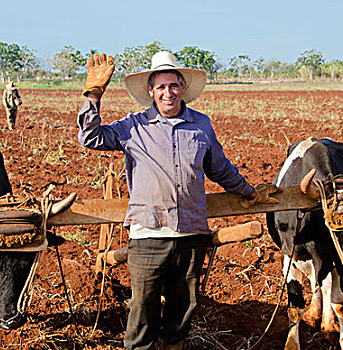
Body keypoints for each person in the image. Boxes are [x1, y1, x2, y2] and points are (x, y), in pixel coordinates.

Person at [77, 51, 279, 350]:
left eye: (172, 86)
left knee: (182, 310)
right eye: (161, 87)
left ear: (183, 87)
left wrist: (250, 193)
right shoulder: (133, 126)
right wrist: (94, 95)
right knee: (142, 311)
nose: (167, 93)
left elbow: (220, 168)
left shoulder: (201, 125)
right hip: (148, 235)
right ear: (151, 91)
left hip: (191, 234)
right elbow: (90, 138)